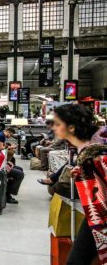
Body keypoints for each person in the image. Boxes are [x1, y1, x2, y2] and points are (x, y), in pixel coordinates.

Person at [51, 104, 107, 264]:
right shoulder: (89, 147)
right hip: (96, 213)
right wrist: (83, 171)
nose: (54, 128)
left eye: (58, 124)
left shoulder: (96, 150)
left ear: (71, 127)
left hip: (100, 214)